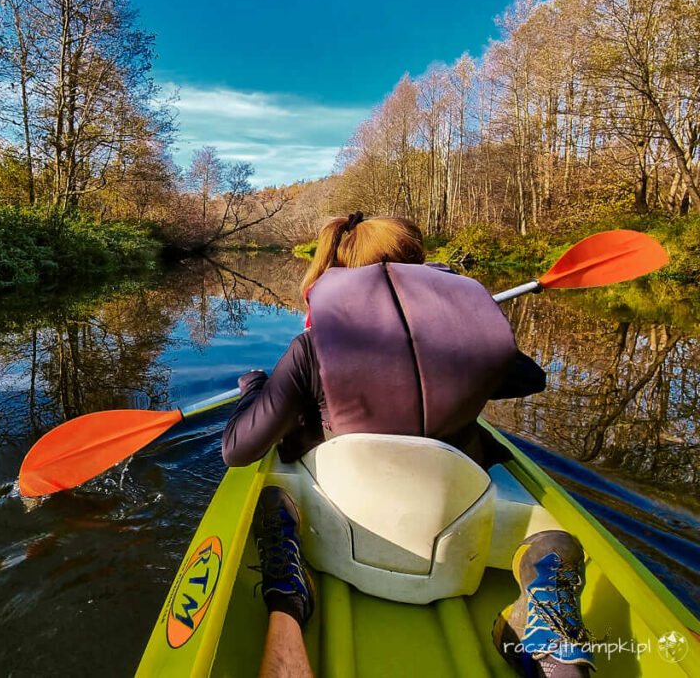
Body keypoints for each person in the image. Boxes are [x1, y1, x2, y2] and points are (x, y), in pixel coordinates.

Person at [221, 213, 595, 678]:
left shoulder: (311, 348)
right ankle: (553, 646)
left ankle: (288, 586)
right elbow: (529, 378)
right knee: (541, 528)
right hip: (457, 520)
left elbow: (238, 450)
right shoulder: (466, 340)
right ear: (421, 267)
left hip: (344, 517)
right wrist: (459, 333)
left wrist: (254, 387)